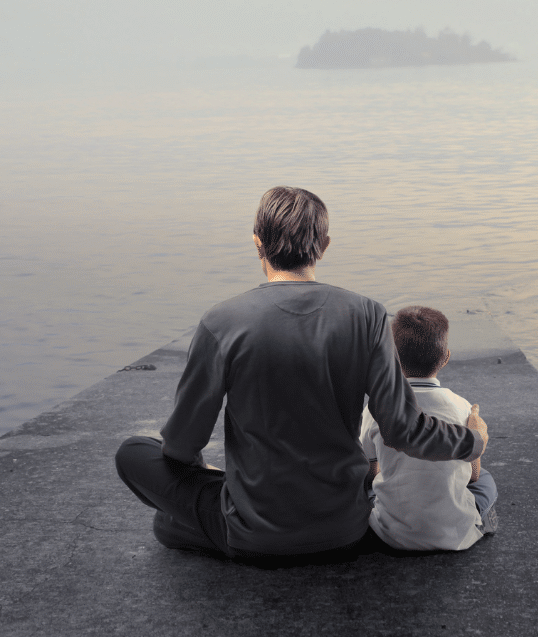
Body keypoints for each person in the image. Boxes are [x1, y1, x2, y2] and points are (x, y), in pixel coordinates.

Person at [114, 186, 489, 561]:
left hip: (256, 534)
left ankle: (204, 518)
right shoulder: (369, 316)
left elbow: (182, 444)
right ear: (324, 246)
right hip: (344, 529)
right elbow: (403, 430)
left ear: (257, 243)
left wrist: (209, 475)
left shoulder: (221, 321)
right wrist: (471, 441)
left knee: (134, 454)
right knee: (169, 523)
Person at [359, 306, 497, 551]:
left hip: (392, 535)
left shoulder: (375, 408)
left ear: (392, 357)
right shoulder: (461, 407)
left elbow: (369, 472)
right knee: (485, 480)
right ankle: (480, 520)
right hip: (453, 535)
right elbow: (473, 475)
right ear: (445, 358)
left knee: (369, 488)